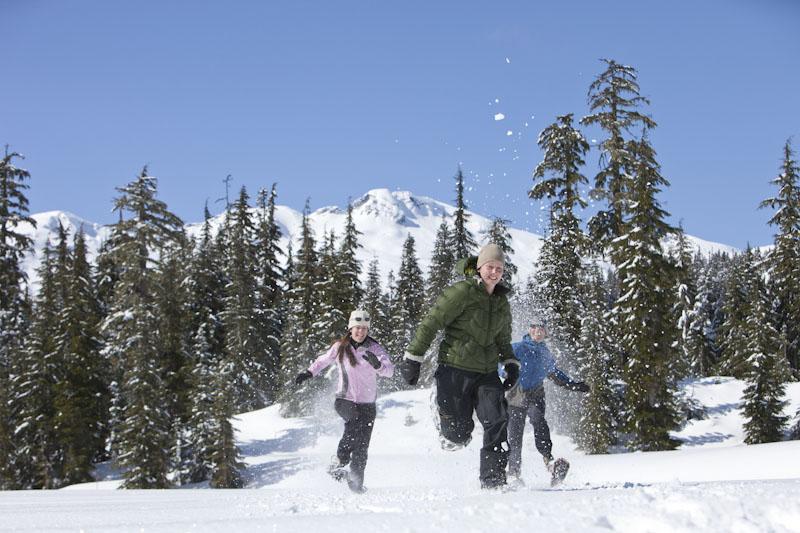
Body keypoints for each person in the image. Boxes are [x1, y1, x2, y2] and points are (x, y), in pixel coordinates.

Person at [399, 243, 520, 490]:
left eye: (499, 268)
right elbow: (432, 322)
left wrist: (510, 363)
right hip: (454, 369)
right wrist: (413, 357)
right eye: (490, 267)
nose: (494, 272)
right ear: (479, 267)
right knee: (459, 434)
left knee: (497, 419)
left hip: (486, 373)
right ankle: (442, 413)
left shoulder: (501, 302)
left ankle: (493, 480)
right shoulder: (461, 292)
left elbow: (503, 338)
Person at [295, 309, 395, 493]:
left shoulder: (375, 348)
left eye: (364, 329)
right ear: (350, 328)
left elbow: (390, 371)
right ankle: (340, 460)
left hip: (368, 405)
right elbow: (323, 360)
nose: (361, 332)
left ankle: (356, 484)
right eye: (357, 328)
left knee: (362, 446)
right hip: (344, 399)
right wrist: (309, 372)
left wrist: (378, 365)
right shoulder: (340, 347)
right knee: (354, 422)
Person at [505, 317, 589, 484]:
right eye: (535, 328)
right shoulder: (518, 348)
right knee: (515, 435)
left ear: (546, 333)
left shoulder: (545, 354)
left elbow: (555, 374)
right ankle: (514, 473)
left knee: (539, 422)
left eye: (542, 329)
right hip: (516, 395)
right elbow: (501, 365)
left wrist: (574, 385)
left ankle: (550, 463)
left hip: (536, 394)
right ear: (529, 330)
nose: (538, 331)